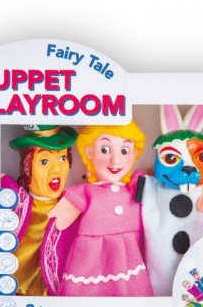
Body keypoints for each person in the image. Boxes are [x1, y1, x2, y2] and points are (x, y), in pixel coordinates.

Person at [50, 121, 153, 297]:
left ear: (134, 153)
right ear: (89, 151)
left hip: (132, 266)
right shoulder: (85, 193)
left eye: (125, 150)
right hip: (90, 264)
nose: (116, 160)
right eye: (105, 149)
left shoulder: (137, 188)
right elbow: (56, 227)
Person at [1, 124, 77, 296]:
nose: (56, 169)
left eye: (62, 158)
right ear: (27, 167)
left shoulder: (72, 207)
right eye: (44, 161)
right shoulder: (15, 200)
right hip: (13, 288)